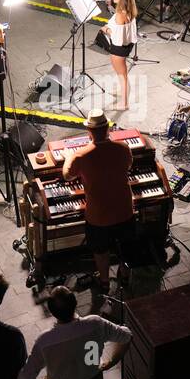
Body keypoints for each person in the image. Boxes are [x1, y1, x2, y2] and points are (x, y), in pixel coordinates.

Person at [62, 109, 135, 291]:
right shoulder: (123, 148)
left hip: (98, 216)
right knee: (126, 248)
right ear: (108, 129)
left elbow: (67, 176)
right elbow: (128, 165)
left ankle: (104, 282)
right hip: (125, 211)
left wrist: (68, 157)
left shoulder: (80, 155)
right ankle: (125, 278)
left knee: (100, 251)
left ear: (89, 132)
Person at [102, 0, 137, 110]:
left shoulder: (120, 14)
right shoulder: (130, 9)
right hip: (128, 44)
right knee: (121, 73)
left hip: (119, 48)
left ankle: (124, 103)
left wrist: (106, 30)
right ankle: (121, 90)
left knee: (122, 75)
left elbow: (116, 36)